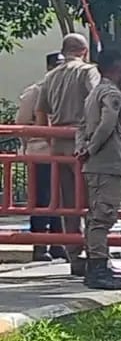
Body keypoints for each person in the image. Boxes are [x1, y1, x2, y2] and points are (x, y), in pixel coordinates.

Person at [35, 33, 101, 276]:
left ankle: (75, 257)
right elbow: (96, 100)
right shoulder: (88, 72)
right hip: (84, 142)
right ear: (84, 51)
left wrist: (50, 138)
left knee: (68, 202)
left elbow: (41, 114)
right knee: (94, 198)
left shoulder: (50, 76)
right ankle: (96, 255)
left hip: (59, 144)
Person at [75, 49, 121, 291]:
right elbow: (108, 122)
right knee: (102, 216)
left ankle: (96, 264)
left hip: (96, 164)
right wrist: (92, 147)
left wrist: (82, 147)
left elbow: (81, 125)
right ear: (117, 68)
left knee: (96, 215)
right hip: (107, 162)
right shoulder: (110, 93)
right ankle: (97, 268)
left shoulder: (93, 94)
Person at [16, 52, 66, 262]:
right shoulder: (37, 91)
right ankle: (40, 244)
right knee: (41, 199)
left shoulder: (68, 91)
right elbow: (21, 122)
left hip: (64, 152)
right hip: (42, 152)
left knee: (62, 199)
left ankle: (59, 242)